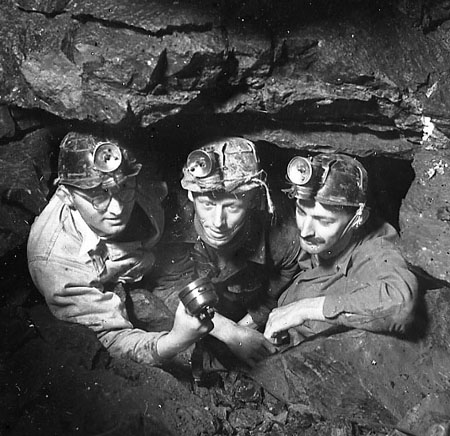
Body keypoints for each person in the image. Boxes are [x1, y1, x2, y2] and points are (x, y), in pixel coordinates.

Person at [27, 131, 212, 365]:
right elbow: (110, 340)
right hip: (108, 290)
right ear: (67, 196)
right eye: (98, 196)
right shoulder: (56, 260)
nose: (116, 209)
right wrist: (176, 340)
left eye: (124, 188)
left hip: (156, 262)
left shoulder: (140, 176)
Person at [164, 137, 302, 369]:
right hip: (194, 314)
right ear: (191, 195)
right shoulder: (173, 223)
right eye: (207, 204)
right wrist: (228, 332)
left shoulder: (283, 234)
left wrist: (248, 326)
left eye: (232, 206)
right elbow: (168, 287)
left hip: (246, 304)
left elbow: (282, 283)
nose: (218, 222)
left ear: (254, 201)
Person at [263, 152, 419, 345]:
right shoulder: (304, 233)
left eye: (324, 221)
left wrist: (304, 309)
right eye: (302, 211)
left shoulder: (375, 249)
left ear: (358, 219)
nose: (305, 231)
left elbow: (400, 305)